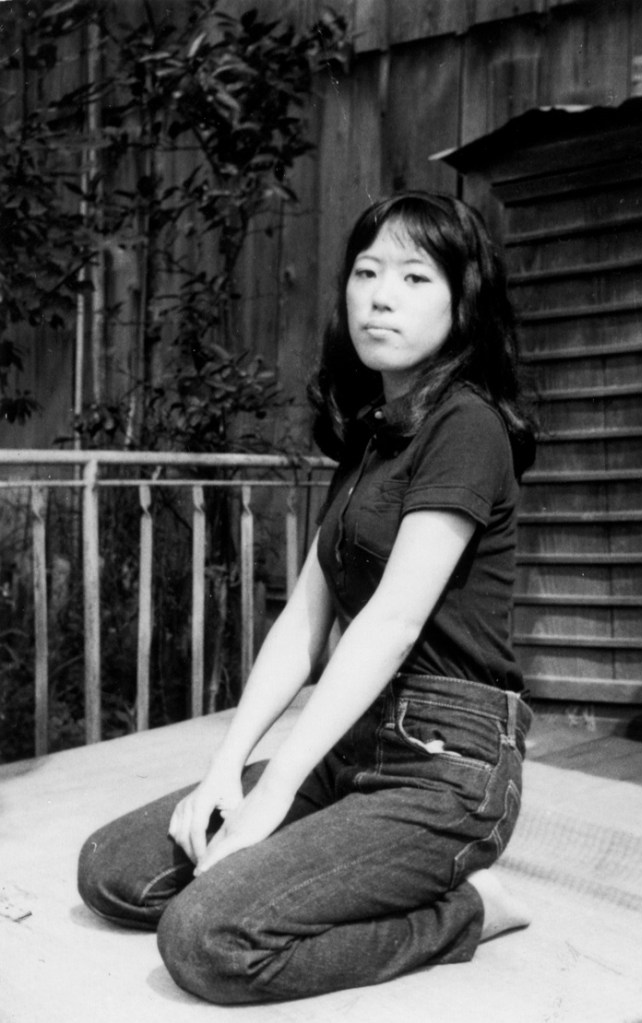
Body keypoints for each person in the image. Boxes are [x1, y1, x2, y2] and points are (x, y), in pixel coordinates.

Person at [78, 190, 537, 1004]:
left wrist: (276, 790)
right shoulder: (373, 436)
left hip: (446, 767)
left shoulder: (468, 426)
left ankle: (465, 910)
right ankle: (330, 864)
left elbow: (391, 623)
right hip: (352, 746)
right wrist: (225, 772)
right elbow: (306, 620)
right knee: (114, 871)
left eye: (413, 275)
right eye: (365, 271)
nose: (380, 294)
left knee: (206, 939)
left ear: (464, 303)